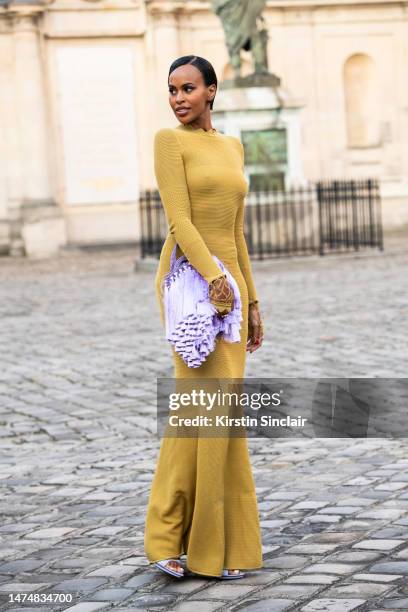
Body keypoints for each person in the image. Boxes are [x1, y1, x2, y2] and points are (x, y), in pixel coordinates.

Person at [144, 55, 264, 580]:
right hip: (192, 286)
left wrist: (251, 300)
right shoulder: (170, 142)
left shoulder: (231, 146)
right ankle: (167, 539)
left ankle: (224, 546)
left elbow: (237, 231)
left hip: (229, 289)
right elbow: (179, 218)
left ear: (212, 90)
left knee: (223, 417)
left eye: (189, 88)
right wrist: (214, 276)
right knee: (196, 411)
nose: (179, 98)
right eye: (172, 90)